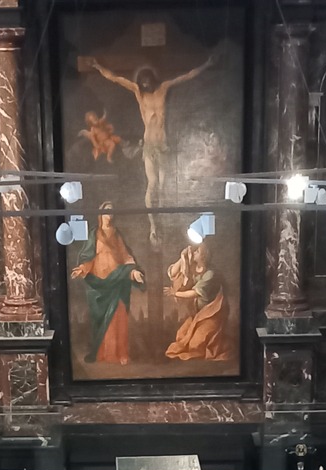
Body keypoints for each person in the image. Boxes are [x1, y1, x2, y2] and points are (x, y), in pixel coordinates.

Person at [76, 50, 214, 235]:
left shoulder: (163, 88)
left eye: (148, 81)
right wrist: (97, 66)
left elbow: (185, 76)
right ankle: (153, 226)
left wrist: (206, 65)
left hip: (163, 145)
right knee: (153, 184)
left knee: (163, 185)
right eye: (143, 82)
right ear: (140, 82)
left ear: (152, 79)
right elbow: (115, 78)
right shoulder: (138, 93)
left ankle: (162, 219)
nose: (146, 84)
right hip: (149, 146)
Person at [71, 204, 146, 365]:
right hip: (99, 284)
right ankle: (104, 353)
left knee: (119, 315)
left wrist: (133, 272)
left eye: (111, 212)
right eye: (106, 212)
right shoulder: (94, 234)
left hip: (117, 281)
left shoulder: (117, 235)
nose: (109, 215)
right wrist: (82, 269)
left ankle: (121, 353)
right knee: (102, 320)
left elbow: (125, 257)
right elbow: (89, 257)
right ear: (101, 214)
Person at [164, 239, 227, 363]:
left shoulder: (210, 274)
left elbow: (195, 293)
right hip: (197, 315)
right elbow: (172, 272)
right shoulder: (192, 267)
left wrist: (175, 293)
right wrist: (182, 257)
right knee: (181, 336)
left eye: (196, 251)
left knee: (196, 345)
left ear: (203, 255)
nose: (193, 253)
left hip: (211, 315)